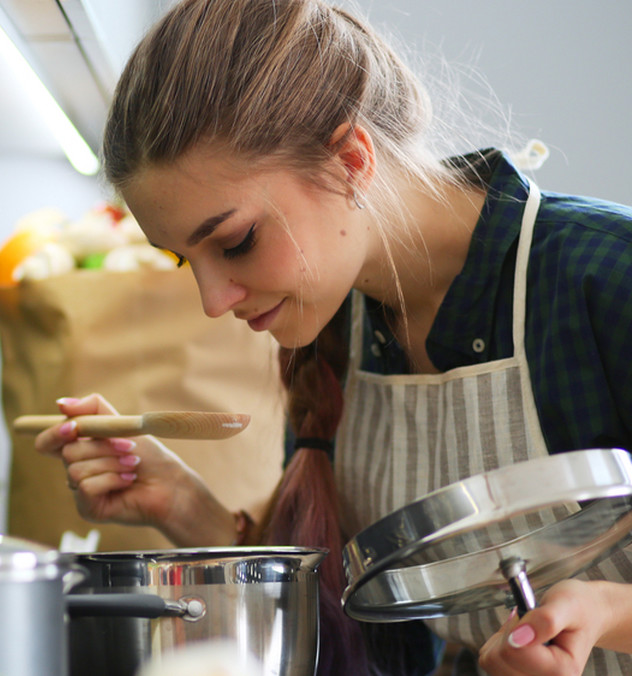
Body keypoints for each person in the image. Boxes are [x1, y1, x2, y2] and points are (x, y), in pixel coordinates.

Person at [32, 0, 632, 674]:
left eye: (235, 241)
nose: (211, 301)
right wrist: (183, 504)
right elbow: (357, 643)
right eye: (183, 260)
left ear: (350, 160)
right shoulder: (336, 332)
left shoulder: (605, 275)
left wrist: (608, 612)